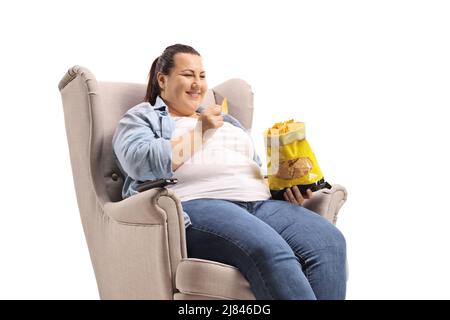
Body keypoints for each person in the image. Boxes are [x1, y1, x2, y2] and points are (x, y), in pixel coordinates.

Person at [112, 44, 347, 300]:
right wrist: (200, 132)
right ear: (162, 79)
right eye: (188, 75)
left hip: (260, 203)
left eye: (202, 76)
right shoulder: (142, 117)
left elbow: (252, 169)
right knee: (269, 248)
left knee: (329, 242)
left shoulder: (229, 122)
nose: (197, 84)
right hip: (197, 203)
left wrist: (284, 188)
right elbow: (139, 163)